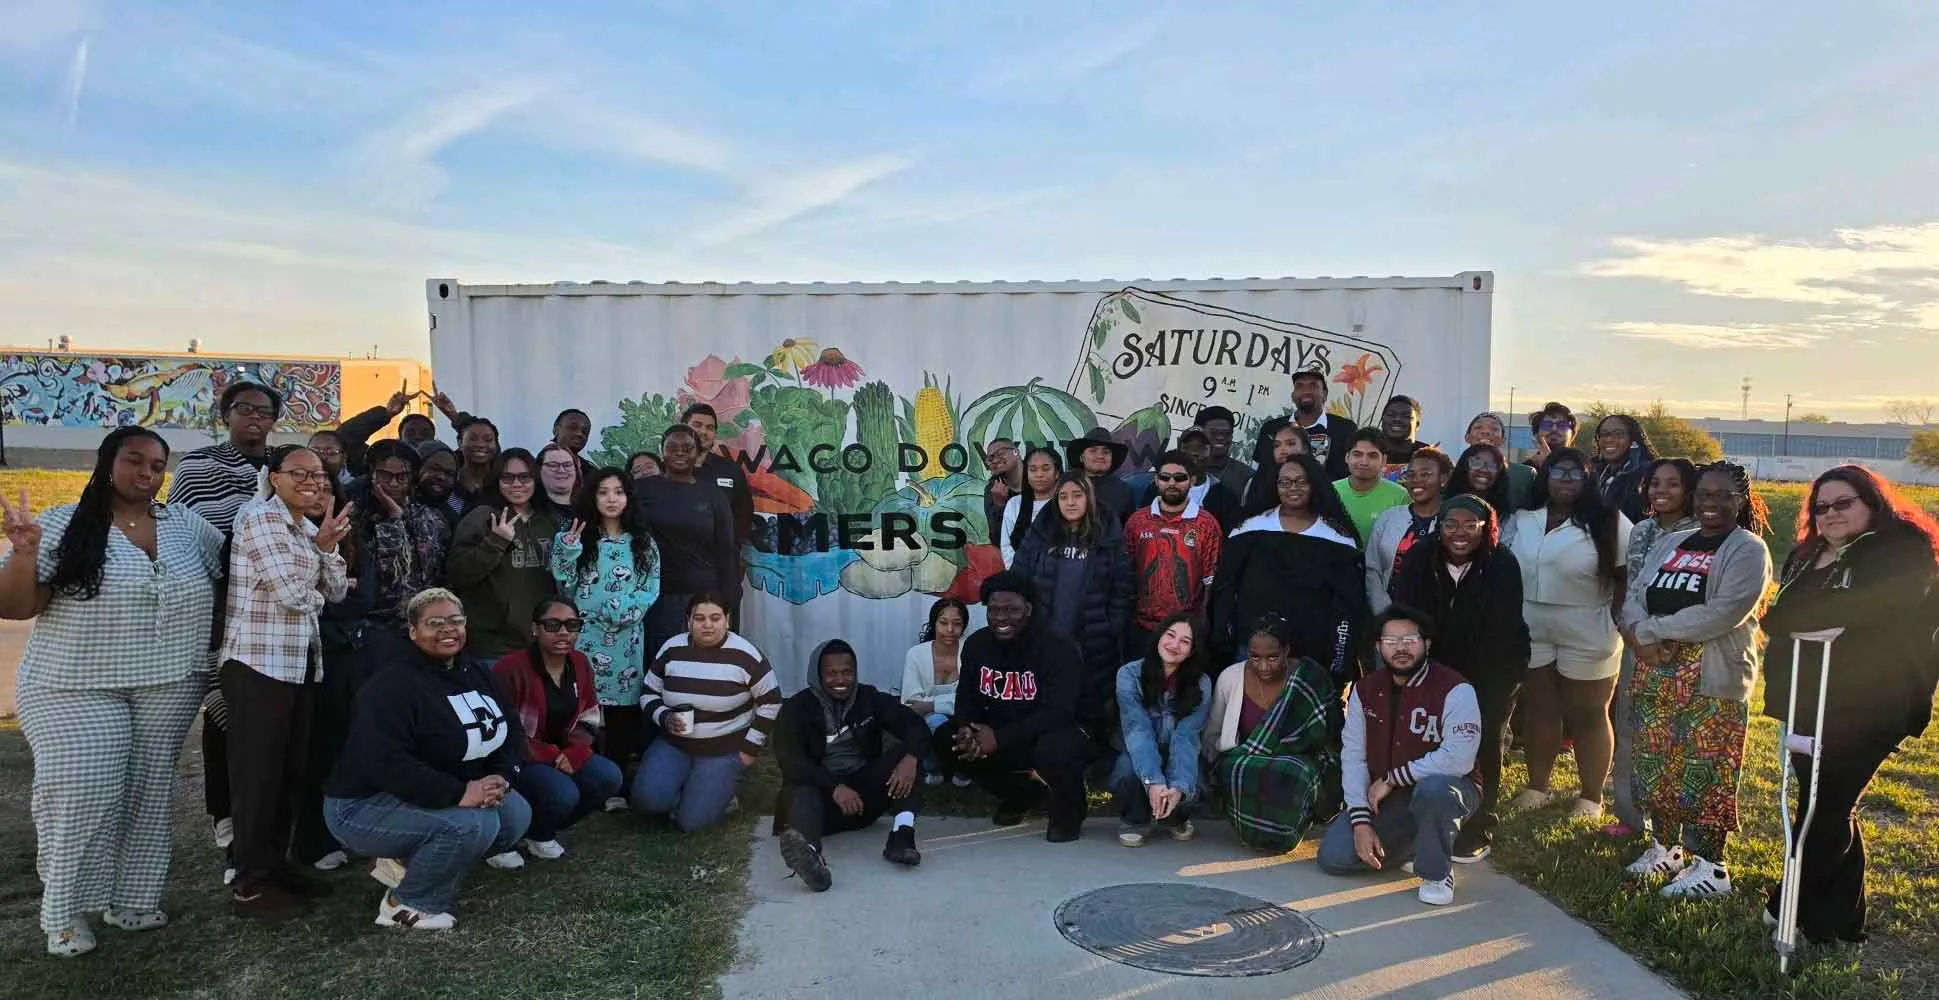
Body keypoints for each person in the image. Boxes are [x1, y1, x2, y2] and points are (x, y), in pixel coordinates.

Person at [0, 429, 225, 956]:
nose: (147, 473)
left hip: (169, 681)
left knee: (149, 792)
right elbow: (15, 607)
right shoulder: (59, 523)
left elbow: (235, 572)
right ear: (107, 463)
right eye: (134, 460)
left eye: (157, 465)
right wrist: (25, 552)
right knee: (83, 785)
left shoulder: (185, 526)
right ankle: (63, 910)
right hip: (70, 682)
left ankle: (130, 898)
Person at [1758, 465, 1939, 945]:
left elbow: (1874, 610)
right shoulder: (1809, 553)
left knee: (1828, 803)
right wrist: (1811, 621)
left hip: (1874, 699)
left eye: (1843, 503)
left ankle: (1788, 902)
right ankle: (1837, 919)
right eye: (1821, 507)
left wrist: (1823, 619)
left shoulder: (1903, 548)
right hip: (1807, 693)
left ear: (1871, 502)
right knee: (1825, 801)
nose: (1830, 514)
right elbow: (1779, 618)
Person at [323, 588, 530, 932]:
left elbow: (509, 730)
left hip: (426, 789)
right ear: (413, 630)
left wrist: (501, 777)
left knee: (514, 814)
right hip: (360, 805)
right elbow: (383, 762)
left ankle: (406, 858)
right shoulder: (391, 685)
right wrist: (460, 794)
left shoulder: (476, 673)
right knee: (473, 825)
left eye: (456, 621)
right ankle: (406, 904)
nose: (448, 629)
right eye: (435, 623)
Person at [1618, 462, 1772, 899]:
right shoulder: (1672, 541)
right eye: (1704, 493)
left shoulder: (1747, 548)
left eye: (1722, 495)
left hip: (1709, 675)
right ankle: (1666, 848)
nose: (1710, 502)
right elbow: (1635, 594)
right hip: (1654, 668)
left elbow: (1725, 611)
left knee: (1704, 768)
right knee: (1657, 763)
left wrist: (1651, 632)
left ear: (1740, 501)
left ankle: (1712, 867)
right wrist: (1640, 634)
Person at [218, 444, 353, 921]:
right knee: (257, 781)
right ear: (273, 477)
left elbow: (334, 590)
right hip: (258, 666)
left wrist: (327, 548)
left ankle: (277, 867)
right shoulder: (260, 519)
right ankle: (251, 884)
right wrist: (320, 556)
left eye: (318, 474)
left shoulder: (305, 528)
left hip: (296, 666)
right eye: (299, 473)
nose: (312, 482)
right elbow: (295, 595)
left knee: (288, 776)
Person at [168, 380, 282, 882]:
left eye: (264, 412)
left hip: (278, 613)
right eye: (244, 410)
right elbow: (186, 535)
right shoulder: (198, 467)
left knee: (272, 725)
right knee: (226, 720)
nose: (254, 419)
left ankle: (272, 831)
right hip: (223, 608)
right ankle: (229, 827)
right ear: (227, 415)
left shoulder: (282, 466)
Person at [1391, 495, 1529, 862]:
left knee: (1483, 742)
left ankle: (1478, 824)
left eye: (1472, 525)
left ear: (1487, 528)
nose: (1460, 533)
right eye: (1451, 524)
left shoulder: (1501, 563)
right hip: (1430, 663)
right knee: (1423, 737)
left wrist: (1464, 689)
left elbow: (1500, 631)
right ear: (1440, 525)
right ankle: (1422, 816)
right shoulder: (1421, 557)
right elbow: (1406, 613)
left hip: (1492, 668)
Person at [1317, 606, 1483, 907]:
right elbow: (1354, 757)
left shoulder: (1456, 689)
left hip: (1449, 789)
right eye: (1391, 641)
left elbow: (1459, 759)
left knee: (1434, 791)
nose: (1401, 648)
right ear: (1378, 647)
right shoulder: (1365, 690)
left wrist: (1393, 778)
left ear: (1427, 643)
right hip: (1390, 797)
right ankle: (1424, 844)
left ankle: (1436, 871)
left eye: (1410, 639)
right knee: (1335, 857)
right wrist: (1360, 821)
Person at [1506, 447, 1632, 821]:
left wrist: (1617, 619)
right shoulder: (1524, 518)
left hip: (1588, 626)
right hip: (1531, 624)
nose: (1565, 479)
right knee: (1541, 708)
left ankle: (1591, 796)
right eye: (1557, 472)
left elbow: (1625, 575)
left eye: (1575, 473)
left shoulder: (1609, 520)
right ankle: (1537, 787)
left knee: (1587, 713)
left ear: (1588, 478)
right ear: (1544, 477)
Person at [933, 573, 1093, 842]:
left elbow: (1059, 711)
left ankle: (1070, 810)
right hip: (1001, 731)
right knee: (946, 739)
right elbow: (967, 696)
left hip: (1054, 731)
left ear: (1029, 609)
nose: (1001, 618)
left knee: (1054, 747)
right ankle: (1025, 795)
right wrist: (966, 729)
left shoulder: (1057, 646)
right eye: (994, 610)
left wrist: (998, 738)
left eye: (1011, 610)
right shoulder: (977, 644)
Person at [773, 640, 928, 891]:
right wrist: (834, 787)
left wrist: (911, 758)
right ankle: (811, 858)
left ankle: (902, 836)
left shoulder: (869, 698)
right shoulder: (796, 708)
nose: (840, 679)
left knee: (907, 754)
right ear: (817, 674)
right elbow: (791, 762)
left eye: (847, 672)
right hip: (822, 805)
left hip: (863, 798)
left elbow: (915, 726)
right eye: (832, 673)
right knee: (800, 787)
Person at [550, 469, 660, 809]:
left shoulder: (643, 542)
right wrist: (567, 551)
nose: (611, 499)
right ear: (592, 498)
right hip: (586, 638)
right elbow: (563, 586)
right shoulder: (576, 537)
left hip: (625, 639)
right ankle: (582, 777)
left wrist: (618, 609)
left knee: (621, 713)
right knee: (584, 709)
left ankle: (617, 783)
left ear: (628, 498)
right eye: (603, 492)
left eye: (619, 492)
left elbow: (649, 589)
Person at [631, 594, 782, 832]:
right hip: (674, 744)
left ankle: (718, 793)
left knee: (691, 823)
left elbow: (771, 701)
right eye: (699, 618)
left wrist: (748, 751)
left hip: (723, 750)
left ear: (727, 620)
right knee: (647, 801)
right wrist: (663, 717)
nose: (707, 625)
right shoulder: (672, 648)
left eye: (715, 618)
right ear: (688, 621)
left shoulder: (746, 655)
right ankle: (692, 787)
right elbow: (648, 692)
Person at [1607, 458, 1700, 838]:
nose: (1661, 491)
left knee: (1680, 736)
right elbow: (1631, 587)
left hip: (1687, 647)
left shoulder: (1702, 532)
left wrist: (1667, 636)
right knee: (1630, 725)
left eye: (1672, 484)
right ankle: (1630, 816)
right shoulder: (1642, 529)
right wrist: (1635, 634)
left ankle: (1681, 825)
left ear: (1689, 490)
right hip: (1638, 640)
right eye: (1655, 483)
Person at [1212, 454, 1367, 679]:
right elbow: (1225, 589)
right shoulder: (1249, 528)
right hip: (1253, 649)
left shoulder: (1338, 539)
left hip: (1312, 652)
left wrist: (1339, 658)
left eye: (1301, 481)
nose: (1292, 488)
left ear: (1314, 484)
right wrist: (1222, 635)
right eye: (1284, 482)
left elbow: (1347, 606)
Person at [490, 598, 623, 860]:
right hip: (517, 756)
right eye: (552, 625)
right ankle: (505, 838)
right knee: (563, 792)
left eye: (572, 625)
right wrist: (552, 757)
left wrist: (577, 752)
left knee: (609, 777)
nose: (563, 632)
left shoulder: (580, 663)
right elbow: (503, 730)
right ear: (535, 629)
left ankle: (540, 832)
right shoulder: (510, 669)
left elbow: (590, 713)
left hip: (563, 752)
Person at [1014, 471, 1133, 744]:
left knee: (1090, 697)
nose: (1070, 502)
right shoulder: (1041, 532)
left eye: (1077, 495)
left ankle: (1088, 753)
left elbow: (1122, 586)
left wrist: (1111, 625)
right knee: (1048, 693)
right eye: (1064, 496)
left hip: (1091, 636)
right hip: (1046, 633)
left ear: (1089, 498)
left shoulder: (1108, 535)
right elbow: (1019, 578)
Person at [1203, 614, 1341, 851]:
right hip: (1247, 756)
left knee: (1293, 774)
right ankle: (1249, 831)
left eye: (1272, 657)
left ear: (1287, 650)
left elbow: (1330, 733)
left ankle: (1288, 833)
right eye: (1254, 657)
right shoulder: (1230, 678)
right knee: (1237, 768)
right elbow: (1212, 735)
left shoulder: (1308, 677)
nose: (1263, 666)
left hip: (1301, 757)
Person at [445, 448, 561, 668]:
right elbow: (458, 573)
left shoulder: (548, 522)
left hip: (541, 642)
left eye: (524, 477)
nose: (517, 484)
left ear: (535, 480)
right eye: (507, 477)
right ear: (496, 481)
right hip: (494, 647)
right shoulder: (481, 517)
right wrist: (496, 541)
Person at [635, 425, 740, 658]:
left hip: (704, 598)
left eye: (687, 448)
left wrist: (727, 601)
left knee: (705, 665)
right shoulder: (642, 490)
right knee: (664, 663)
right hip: (658, 598)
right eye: (673, 447)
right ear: (662, 452)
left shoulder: (713, 495)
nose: (680, 453)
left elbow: (726, 550)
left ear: (697, 453)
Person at [1112, 614, 1213, 847]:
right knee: (1126, 772)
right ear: (1159, 636)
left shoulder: (1202, 683)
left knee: (1193, 784)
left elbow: (1187, 736)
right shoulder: (1128, 674)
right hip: (1137, 749)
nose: (1174, 645)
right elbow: (1138, 730)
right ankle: (1135, 820)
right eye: (1170, 635)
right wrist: (1153, 781)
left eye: (1185, 641)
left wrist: (1178, 787)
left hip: (1179, 750)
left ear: (1192, 650)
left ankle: (1174, 817)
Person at [1124, 451, 1225, 656]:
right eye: (1165, 477)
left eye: (1180, 478)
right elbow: (1125, 572)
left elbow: (1211, 579)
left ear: (1192, 480)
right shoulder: (1137, 521)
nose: (1172, 483)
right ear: (1156, 480)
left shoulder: (1207, 524)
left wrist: (1203, 624)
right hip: (1141, 626)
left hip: (1186, 629)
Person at [359, 440, 450, 638]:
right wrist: (393, 519)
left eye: (402, 477)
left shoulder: (430, 517)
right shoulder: (357, 518)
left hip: (425, 624)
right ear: (372, 475)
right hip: (375, 628)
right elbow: (390, 576)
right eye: (385, 475)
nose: (393, 483)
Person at [1366, 448, 1452, 614]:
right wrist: (1385, 612)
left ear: (1443, 479)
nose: (1416, 480)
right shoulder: (1389, 518)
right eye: (1411, 475)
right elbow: (1372, 568)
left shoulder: (1453, 521)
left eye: (1425, 474)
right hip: (1389, 615)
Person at [900, 597, 969, 786]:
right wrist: (949, 705)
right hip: (928, 722)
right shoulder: (915, 654)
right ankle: (935, 766)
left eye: (957, 624)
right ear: (934, 623)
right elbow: (910, 703)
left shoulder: (970, 651)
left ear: (964, 626)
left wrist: (931, 704)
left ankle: (961, 767)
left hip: (963, 719)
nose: (949, 630)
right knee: (934, 721)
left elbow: (971, 699)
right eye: (943, 622)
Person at [684, 403, 756, 554]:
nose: (703, 431)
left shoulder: (730, 470)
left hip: (721, 560)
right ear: (683, 428)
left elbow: (744, 514)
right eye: (697, 425)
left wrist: (730, 544)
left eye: (710, 428)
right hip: (676, 563)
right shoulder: (666, 470)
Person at [1334, 428, 1410, 550]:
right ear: (1347, 457)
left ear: (1384, 460)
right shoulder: (1330, 491)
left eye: (1372, 456)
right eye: (1357, 454)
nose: (1364, 462)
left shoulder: (1400, 496)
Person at [1164, 428, 1243, 532]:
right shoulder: (1160, 487)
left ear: (1211, 453)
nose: (1194, 452)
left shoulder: (1225, 498)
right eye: (1188, 447)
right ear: (1179, 449)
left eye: (1201, 448)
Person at [998, 445, 1063, 568]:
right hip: (1021, 577)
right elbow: (1006, 546)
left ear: (1057, 473)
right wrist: (1018, 573)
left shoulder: (1066, 503)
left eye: (1046, 469)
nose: (1039, 474)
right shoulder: (1014, 504)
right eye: (1033, 469)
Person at [1290, 368, 1356, 481]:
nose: (1306, 391)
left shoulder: (1346, 429)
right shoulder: (1272, 428)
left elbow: (1349, 476)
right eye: (1300, 386)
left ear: (1325, 394)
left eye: (1313, 386)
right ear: (1293, 395)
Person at [1062, 427, 1135, 524]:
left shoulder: (1124, 489)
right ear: (1081, 457)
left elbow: (1129, 528)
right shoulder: (1065, 484)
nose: (1100, 456)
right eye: (1093, 451)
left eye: (1106, 452)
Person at [1591, 413, 1656, 523]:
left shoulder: (1646, 474)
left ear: (1633, 439)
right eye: (1604, 434)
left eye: (1618, 434)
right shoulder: (1593, 471)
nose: (1609, 439)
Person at [1462, 413, 1535, 511]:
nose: (1486, 432)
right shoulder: (1454, 472)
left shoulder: (1524, 475)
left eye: (1494, 429)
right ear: (1467, 437)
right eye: (1478, 427)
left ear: (1503, 440)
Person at [1447, 443, 1519, 542]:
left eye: (1492, 465)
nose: (1484, 470)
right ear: (1464, 467)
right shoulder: (1444, 507)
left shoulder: (1506, 519)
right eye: (1476, 462)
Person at [1243, 420, 1312, 509]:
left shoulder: (1316, 481)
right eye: (1276, 445)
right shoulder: (1259, 481)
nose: (1283, 450)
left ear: (1305, 448)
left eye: (1291, 444)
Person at [1193, 406, 1252, 497]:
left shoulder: (1246, 476)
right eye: (1214, 433)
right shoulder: (1182, 469)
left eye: (1226, 433)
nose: (1220, 437)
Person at [453, 417, 502, 516]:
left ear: (496, 445)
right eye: (473, 439)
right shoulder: (450, 481)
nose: (480, 444)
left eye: (488, 440)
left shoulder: (502, 482)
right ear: (460, 443)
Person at [412, 440, 464, 529]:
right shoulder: (396, 506)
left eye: (449, 473)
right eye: (434, 468)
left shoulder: (453, 518)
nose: (441, 477)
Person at [981, 437, 1024, 541]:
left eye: (1000, 454)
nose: (995, 460)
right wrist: (999, 506)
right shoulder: (993, 489)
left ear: (1016, 452)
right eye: (990, 459)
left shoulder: (1039, 477)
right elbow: (997, 539)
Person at [1376, 395, 1425, 479]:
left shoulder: (1429, 457)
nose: (1397, 419)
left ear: (1417, 425)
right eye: (1391, 414)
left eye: (1406, 416)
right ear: (1382, 420)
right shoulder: (1368, 453)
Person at [550, 408, 599, 482]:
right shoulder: (538, 468)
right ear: (556, 430)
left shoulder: (593, 474)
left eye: (585, 431)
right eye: (573, 428)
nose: (579, 434)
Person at [536, 442, 582, 520]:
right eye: (553, 465)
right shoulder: (528, 511)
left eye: (567, 465)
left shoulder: (590, 510)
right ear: (539, 470)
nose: (561, 470)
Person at [1526, 402, 1578, 468]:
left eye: (1562, 425)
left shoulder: (1583, 467)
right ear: (1536, 434)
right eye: (1547, 425)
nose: (1554, 429)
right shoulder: (1524, 472)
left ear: (1573, 433)